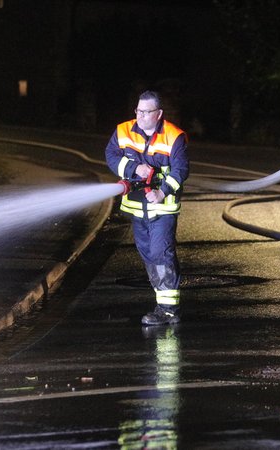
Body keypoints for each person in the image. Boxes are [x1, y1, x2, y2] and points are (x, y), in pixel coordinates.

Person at [105, 90, 189, 325]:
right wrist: (134, 169)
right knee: (149, 256)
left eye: (146, 112)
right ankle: (163, 302)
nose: (141, 116)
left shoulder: (174, 136)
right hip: (137, 208)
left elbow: (181, 169)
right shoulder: (123, 130)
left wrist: (162, 192)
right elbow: (111, 155)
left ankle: (168, 310)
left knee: (161, 253)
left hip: (162, 209)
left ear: (159, 114)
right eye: (138, 111)